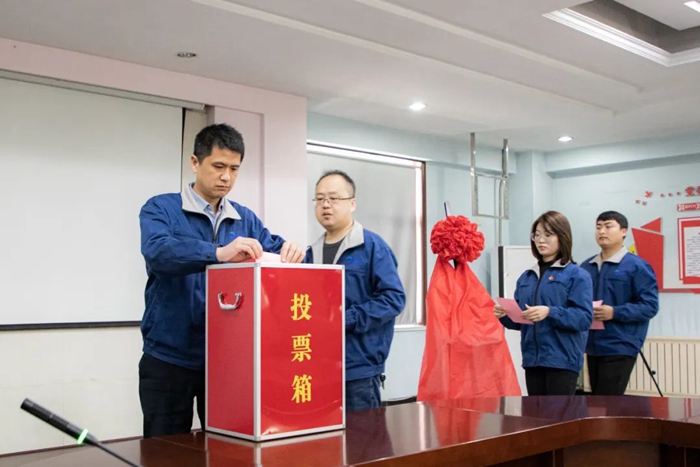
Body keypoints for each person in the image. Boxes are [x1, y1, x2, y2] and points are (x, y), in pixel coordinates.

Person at [138, 123, 304, 438]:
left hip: (228, 359)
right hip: (169, 356)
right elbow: (158, 252)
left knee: (227, 447)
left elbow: (273, 249)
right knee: (165, 450)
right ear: (195, 162)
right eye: (218, 166)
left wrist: (292, 251)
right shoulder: (162, 208)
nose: (226, 177)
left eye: (234, 169)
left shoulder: (245, 218)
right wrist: (218, 253)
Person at [305, 170, 406, 412]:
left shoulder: (372, 247)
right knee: (323, 433)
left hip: (359, 368)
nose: (325, 205)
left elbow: (394, 299)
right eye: (320, 199)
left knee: (363, 436)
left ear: (352, 204)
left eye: (333, 198)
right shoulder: (311, 254)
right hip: (317, 365)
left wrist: (345, 319)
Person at [494, 211, 593, 396]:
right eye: (537, 234)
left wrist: (549, 312)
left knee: (558, 413)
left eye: (548, 234)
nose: (541, 240)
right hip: (532, 360)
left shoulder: (577, 275)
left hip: (562, 360)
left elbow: (584, 318)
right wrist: (505, 315)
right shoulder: (526, 277)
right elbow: (520, 322)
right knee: (536, 412)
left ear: (562, 236)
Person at [582, 211, 659, 395]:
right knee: (597, 401)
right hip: (591, 345)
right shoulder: (586, 266)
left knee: (609, 400)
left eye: (608, 226)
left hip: (620, 344)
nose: (602, 231)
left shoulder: (637, 266)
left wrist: (614, 312)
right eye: (598, 227)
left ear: (624, 231)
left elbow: (650, 306)